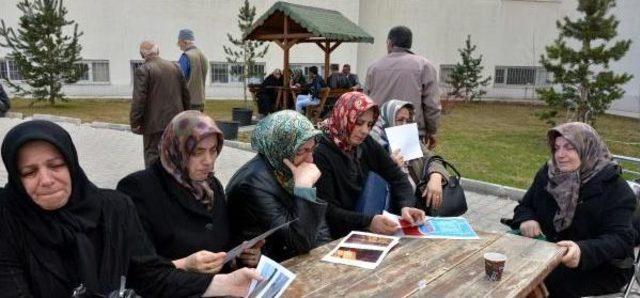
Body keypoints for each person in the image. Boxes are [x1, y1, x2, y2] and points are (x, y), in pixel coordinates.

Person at [0, 120, 261, 298]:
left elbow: (148, 273)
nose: (46, 179)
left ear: (71, 164)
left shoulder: (112, 208)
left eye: (55, 165)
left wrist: (224, 283)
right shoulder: (8, 219)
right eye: (29, 172)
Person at [117, 111, 263, 275]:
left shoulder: (211, 186)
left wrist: (242, 255)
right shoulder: (139, 189)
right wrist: (184, 264)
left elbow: (222, 241)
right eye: (197, 152)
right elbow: (133, 266)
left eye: (213, 150)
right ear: (176, 149)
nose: (208, 161)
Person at [508, 122, 637, 297]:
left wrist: (582, 251)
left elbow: (621, 240)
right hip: (548, 252)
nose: (560, 155)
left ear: (587, 149)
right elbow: (525, 205)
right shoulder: (548, 173)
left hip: (598, 266)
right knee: (507, 267)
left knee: (537, 280)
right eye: (556, 147)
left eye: (569, 148)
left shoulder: (615, 188)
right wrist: (527, 219)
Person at [313, 92, 425, 239]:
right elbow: (328, 210)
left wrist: (406, 205)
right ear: (344, 117)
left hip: (369, 222)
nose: (365, 130)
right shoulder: (320, 152)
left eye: (370, 124)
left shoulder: (365, 143)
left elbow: (397, 176)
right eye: (359, 123)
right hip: (339, 235)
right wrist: (368, 222)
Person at [226, 110, 330, 262]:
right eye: (302, 150)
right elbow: (298, 242)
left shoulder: (286, 169)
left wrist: (325, 254)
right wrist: (305, 189)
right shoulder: (253, 184)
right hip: (261, 269)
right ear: (282, 146)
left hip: (288, 260)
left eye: (312, 150)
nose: (310, 159)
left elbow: (318, 227)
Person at [365, 26, 441, 150]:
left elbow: (366, 101)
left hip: (377, 132)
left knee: (378, 169)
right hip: (408, 131)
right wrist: (432, 131)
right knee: (405, 168)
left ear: (390, 42)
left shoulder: (374, 67)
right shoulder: (423, 66)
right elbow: (432, 104)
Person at [369, 99, 449, 213]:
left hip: (420, 205)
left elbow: (434, 159)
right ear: (387, 120)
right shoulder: (375, 145)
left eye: (408, 120)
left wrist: (436, 176)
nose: (404, 125)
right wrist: (389, 166)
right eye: (400, 120)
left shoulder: (411, 140)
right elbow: (371, 183)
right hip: (390, 211)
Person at [131, 40, 190, 168]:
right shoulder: (176, 67)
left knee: (153, 158)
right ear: (158, 51)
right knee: (174, 156)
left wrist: (135, 123)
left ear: (142, 55)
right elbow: (186, 95)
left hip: (153, 126)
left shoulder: (143, 70)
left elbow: (139, 100)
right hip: (176, 123)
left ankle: (155, 186)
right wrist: (186, 117)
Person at [178, 28, 209, 112]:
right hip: (200, 101)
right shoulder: (203, 56)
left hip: (188, 102)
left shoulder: (186, 56)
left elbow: (179, 78)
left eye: (179, 42)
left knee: (187, 125)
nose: (179, 46)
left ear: (185, 42)